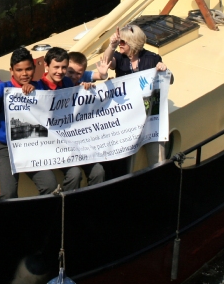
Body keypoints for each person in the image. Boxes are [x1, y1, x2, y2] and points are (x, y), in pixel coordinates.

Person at [0, 47, 56, 200]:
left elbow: (61, 97)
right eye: (19, 70)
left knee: (50, 185)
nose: (24, 74)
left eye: (28, 69)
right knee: (8, 194)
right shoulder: (2, 89)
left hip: (32, 146)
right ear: (11, 71)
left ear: (34, 68)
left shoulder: (40, 87)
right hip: (4, 147)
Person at [101, 25, 170, 178]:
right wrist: (112, 44)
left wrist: (164, 69)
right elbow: (106, 61)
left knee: (156, 157)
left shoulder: (152, 58)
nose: (120, 45)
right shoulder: (119, 58)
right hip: (128, 119)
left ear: (133, 42)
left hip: (149, 117)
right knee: (128, 160)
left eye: (123, 42)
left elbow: (169, 80)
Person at [41, 47, 106, 190]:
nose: (60, 71)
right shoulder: (39, 87)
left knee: (98, 171)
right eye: (56, 67)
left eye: (63, 68)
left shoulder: (69, 83)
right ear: (46, 66)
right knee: (74, 174)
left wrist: (85, 90)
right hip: (55, 145)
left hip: (76, 141)